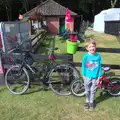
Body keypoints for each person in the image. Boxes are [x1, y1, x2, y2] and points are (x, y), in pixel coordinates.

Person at [81, 38, 102, 111]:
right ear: (87, 48)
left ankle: (91, 102)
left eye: (93, 46)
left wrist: (99, 76)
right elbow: (83, 65)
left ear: (95, 47)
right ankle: (87, 101)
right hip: (87, 77)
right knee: (87, 90)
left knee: (93, 90)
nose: (92, 48)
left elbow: (99, 66)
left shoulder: (98, 56)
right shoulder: (85, 56)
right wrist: (83, 74)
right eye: (90, 47)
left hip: (95, 77)